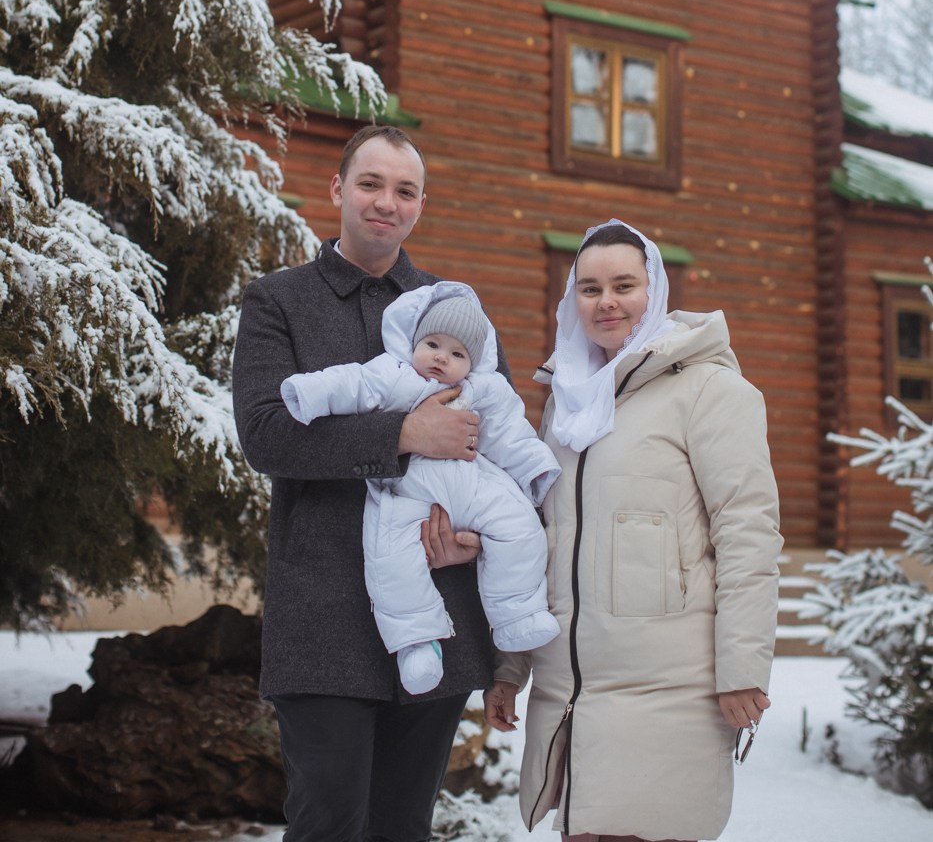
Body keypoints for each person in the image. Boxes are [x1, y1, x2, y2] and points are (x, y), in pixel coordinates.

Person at [232, 124, 499, 842]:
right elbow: (264, 433)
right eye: (371, 184)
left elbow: (490, 437)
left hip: (434, 610)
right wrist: (401, 435)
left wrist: (478, 536)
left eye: (404, 191)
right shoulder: (278, 302)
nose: (387, 203)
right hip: (323, 617)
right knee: (329, 824)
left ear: (419, 204)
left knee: (403, 828)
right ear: (337, 190)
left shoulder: (450, 309)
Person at [484, 219, 782, 842]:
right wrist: (510, 665)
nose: (607, 302)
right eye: (589, 288)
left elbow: (748, 534)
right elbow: (539, 540)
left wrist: (743, 667)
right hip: (573, 694)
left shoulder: (710, 390)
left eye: (624, 285)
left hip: (671, 691)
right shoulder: (566, 400)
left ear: (657, 291)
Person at [280, 281, 561, 695]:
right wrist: (309, 392)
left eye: (457, 354)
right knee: (391, 561)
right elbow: (351, 383)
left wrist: (534, 470)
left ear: (475, 362)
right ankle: (416, 646)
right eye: (432, 343)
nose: (440, 358)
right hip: (407, 490)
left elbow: (510, 435)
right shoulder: (392, 377)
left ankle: (517, 613)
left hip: (474, 484)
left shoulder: (484, 391)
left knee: (520, 527)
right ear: (412, 342)